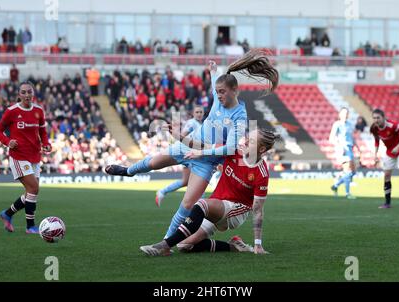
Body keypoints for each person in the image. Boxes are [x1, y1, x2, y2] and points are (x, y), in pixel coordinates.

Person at [105, 50, 279, 243]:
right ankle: (129, 171)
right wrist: (213, 71)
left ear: (234, 92)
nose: (218, 96)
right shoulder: (219, 94)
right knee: (154, 162)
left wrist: (201, 153)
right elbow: (216, 84)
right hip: (191, 144)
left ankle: (166, 242)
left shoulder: (239, 116)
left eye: (222, 92)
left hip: (205, 161)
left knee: (187, 204)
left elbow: (230, 149)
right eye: (218, 92)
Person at [139, 128, 280, 256]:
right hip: (218, 203)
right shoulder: (233, 150)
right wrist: (180, 137)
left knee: (201, 204)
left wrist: (258, 244)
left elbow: (258, 210)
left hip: (237, 210)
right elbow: (202, 146)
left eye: (252, 141)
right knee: (185, 245)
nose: (247, 141)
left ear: (261, 149)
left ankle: (164, 246)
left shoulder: (261, 174)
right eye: (248, 137)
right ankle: (234, 246)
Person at [0, 82, 52, 234]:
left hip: (35, 156)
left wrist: (46, 144)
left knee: (31, 192)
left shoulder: (39, 110)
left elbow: (43, 132)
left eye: (29, 92)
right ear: (19, 95)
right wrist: (8, 141)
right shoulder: (11, 111)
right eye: (24, 92)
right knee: (34, 188)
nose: (27, 95)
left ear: (33, 94)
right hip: (19, 156)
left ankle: (7, 214)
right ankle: (30, 227)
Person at [155, 106, 205, 207]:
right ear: (193, 113)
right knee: (199, 180)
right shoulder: (192, 123)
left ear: (203, 114)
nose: (199, 114)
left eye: (201, 112)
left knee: (185, 181)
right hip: (189, 155)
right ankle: (201, 207)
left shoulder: (200, 124)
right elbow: (182, 135)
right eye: (197, 112)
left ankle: (162, 192)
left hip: (190, 155)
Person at [370, 109, 399, 209]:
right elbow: (377, 141)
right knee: (387, 176)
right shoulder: (374, 128)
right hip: (390, 152)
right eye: (374, 118)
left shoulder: (393, 125)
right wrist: (375, 155)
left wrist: (397, 147)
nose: (376, 120)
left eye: (378, 118)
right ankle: (387, 203)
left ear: (383, 117)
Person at [329, 108, 359, 199]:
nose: (345, 115)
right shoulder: (337, 124)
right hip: (342, 150)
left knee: (353, 172)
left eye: (347, 113)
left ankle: (335, 185)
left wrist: (357, 147)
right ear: (340, 114)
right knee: (348, 171)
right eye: (343, 113)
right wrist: (339, 146)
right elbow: (331, 138)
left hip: (350, 149)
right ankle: (347, 193)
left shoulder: (350, 125)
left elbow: (351, 137)